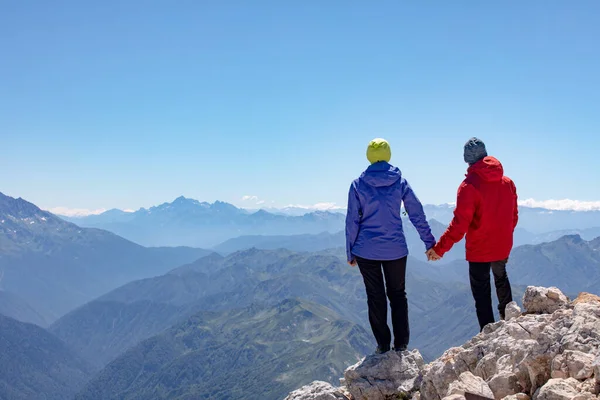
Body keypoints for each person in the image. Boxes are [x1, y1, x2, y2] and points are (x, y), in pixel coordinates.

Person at [346, 138, 436, 354]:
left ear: (368, 156)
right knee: (397, 294)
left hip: (365, 250)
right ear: (389, 155)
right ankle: (402, 345)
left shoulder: (358, 185)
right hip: (395, 249)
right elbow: (416, 212)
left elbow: (352, 220)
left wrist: (350, 251)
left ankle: (383, 345)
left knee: (375, 296)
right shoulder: (400, 182)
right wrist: (429, 242)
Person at [427, 137, 518, 331]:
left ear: (467, 159)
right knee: (501, 278)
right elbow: (513, 215)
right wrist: (504, 234)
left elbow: (460, 225)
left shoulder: (469, 186)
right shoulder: (507, 182)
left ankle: (488, 332)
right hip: (502, 243)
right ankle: (511, 319)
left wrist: (439, 249)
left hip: (479, 247)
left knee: (481, 290)